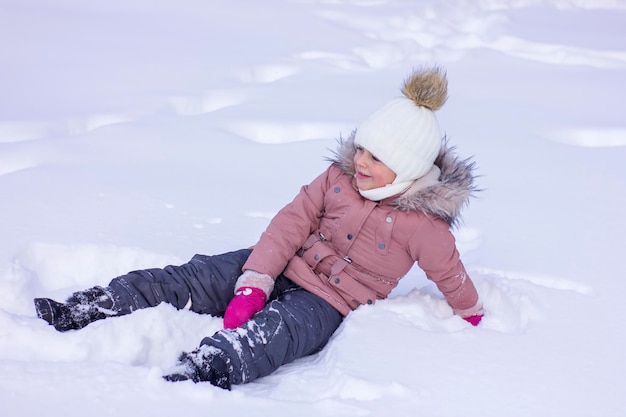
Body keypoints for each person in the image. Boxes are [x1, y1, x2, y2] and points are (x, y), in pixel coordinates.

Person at [34, 66, 484, 390]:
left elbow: (449, 272)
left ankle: (207, 367)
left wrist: (471, 310)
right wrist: (255, 281)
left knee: (279, 332)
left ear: (406, 169)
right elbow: (290, 224)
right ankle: (99, 302)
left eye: (376, 157)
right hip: (283, 264)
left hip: (330, 302)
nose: (360, 161)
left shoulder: (424, 225)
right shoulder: (337, 180)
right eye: (362, 148)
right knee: (199, 276)